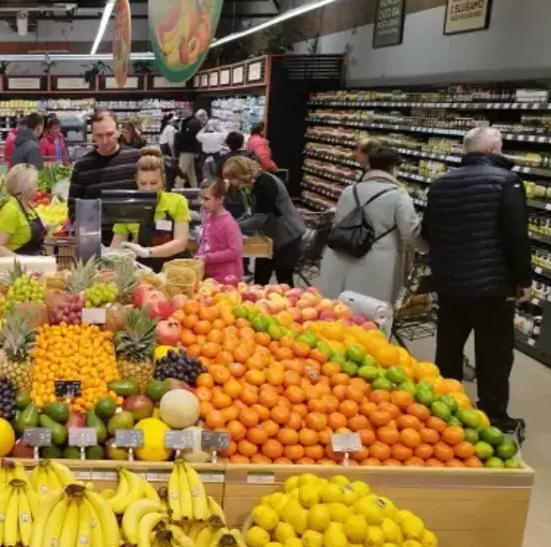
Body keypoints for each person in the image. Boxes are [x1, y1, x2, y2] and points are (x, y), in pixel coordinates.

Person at [422, 126, 530, 433]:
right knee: (493, 352)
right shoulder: (507, 181)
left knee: (449, 346)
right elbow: (515, 236)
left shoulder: (441, 183)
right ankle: (493, 414)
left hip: (449, 282)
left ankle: (444, 407)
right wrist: (523, 278)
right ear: (494, 150)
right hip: (493, 286)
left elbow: (428, 232)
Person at [319, 143, 421, 305]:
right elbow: (411, 232)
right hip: (377, 265)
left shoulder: (349, 190)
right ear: (393, 168)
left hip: (341, 257)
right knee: (369, 314)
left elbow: (338, 221)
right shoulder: (398, 195)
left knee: (339, 312)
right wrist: (428, 247)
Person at [222, 155, 305, 286]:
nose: (230, 182)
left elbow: (258, 220)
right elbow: (250, 211)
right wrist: (232, 222)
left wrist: (230, 226)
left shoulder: (265, 185)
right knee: (260, 279)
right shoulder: (253, 184)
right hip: (269, 237)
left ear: (241, 175)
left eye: (232, 178)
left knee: (284, 281)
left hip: (287, 237)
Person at [110, 147, 190, 272]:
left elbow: (181, 242)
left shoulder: (178, 202)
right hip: (141, 272)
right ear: (136, 180)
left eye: (153, 183)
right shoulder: (127, 208)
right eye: (143, 183)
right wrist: (112, 255)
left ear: (163, 179)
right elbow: (117, 244)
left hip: (173, 272)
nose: (148, 189)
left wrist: (148, 252)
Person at [67, 109, 142, 218]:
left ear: (118, 131)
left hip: (132, 230)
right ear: (92, 135)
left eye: (109, 134)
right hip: (97, 231)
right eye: (99, 136)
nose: (105, 141)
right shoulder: (82, 167)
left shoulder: (136, 158)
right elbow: (73, 207)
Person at [0, 164, 47, 257]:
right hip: (20, 268)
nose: (37, 188)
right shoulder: (10, 210)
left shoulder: (28, 207)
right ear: (26, 186)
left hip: (34, 263)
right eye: (35, 184)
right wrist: (22, 260)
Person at [196, 179, 244, 282]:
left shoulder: (229, 223)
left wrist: (207, 258)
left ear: (220, 199)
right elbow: (205, 242)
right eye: (201, 198)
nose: (202, 203)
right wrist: (199, 255)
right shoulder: (208, 217)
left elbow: (235, 251)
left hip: (227, 279)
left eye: (206, 199)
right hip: (211, 277)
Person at [175, 109, 204, 187]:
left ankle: (177, 188)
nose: (183, 114)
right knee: (191, 171)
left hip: (188, 150)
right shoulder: (191, 122)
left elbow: (189, 137)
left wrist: (177, 134)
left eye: (185, 112)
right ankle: (194, 187)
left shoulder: (192, 123)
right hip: (190, 150)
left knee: (180, 170)